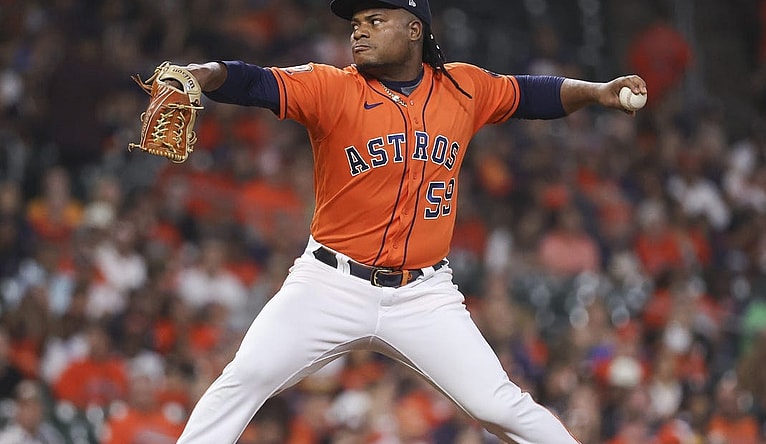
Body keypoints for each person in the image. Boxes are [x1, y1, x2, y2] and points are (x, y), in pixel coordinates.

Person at [168, 0, 647, 442]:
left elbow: (531, 95)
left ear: (414, 29)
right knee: (244, 379)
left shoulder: (463, 87)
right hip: (330, 284)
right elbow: (252, 81)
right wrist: (202, 73)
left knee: (498, 405)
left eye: (375, 21)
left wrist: (597, 92)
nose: (360, 32)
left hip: (424, 295)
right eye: (356, 24)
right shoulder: (332, 87)